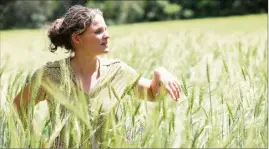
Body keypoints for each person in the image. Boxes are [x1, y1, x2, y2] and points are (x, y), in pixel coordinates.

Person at [13, 5, 180, 148]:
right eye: (99, 31)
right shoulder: (50, 75)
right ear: (77, 38)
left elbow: (152, 93)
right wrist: (40, 143)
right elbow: (19, 106)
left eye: (106, 29)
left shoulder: (118, 72)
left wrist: (160, 72)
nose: (107, 35)